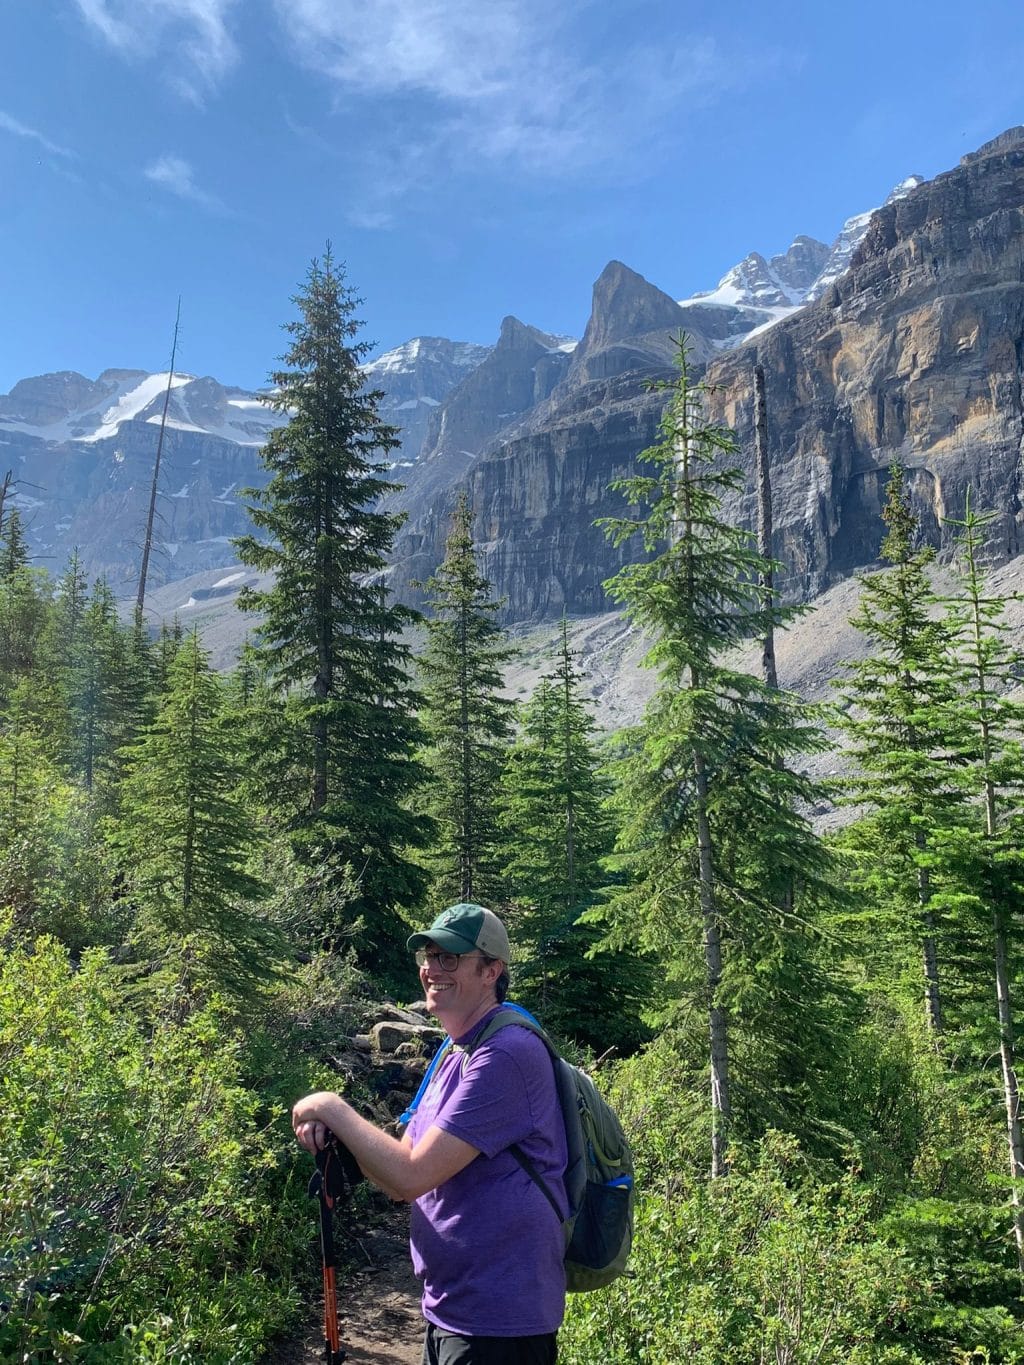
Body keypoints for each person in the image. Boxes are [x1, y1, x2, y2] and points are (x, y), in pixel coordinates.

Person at [292, 902, 568, 1365]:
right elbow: (400, 1173)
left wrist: (331, 1107)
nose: (432, 969)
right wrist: (343, 1138)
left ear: (491, 971)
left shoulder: (507, 1054)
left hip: (498, 1322)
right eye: (429, 956)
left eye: (450, 958)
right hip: (451, 1309)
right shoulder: (454, 1052)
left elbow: (410, 1176)